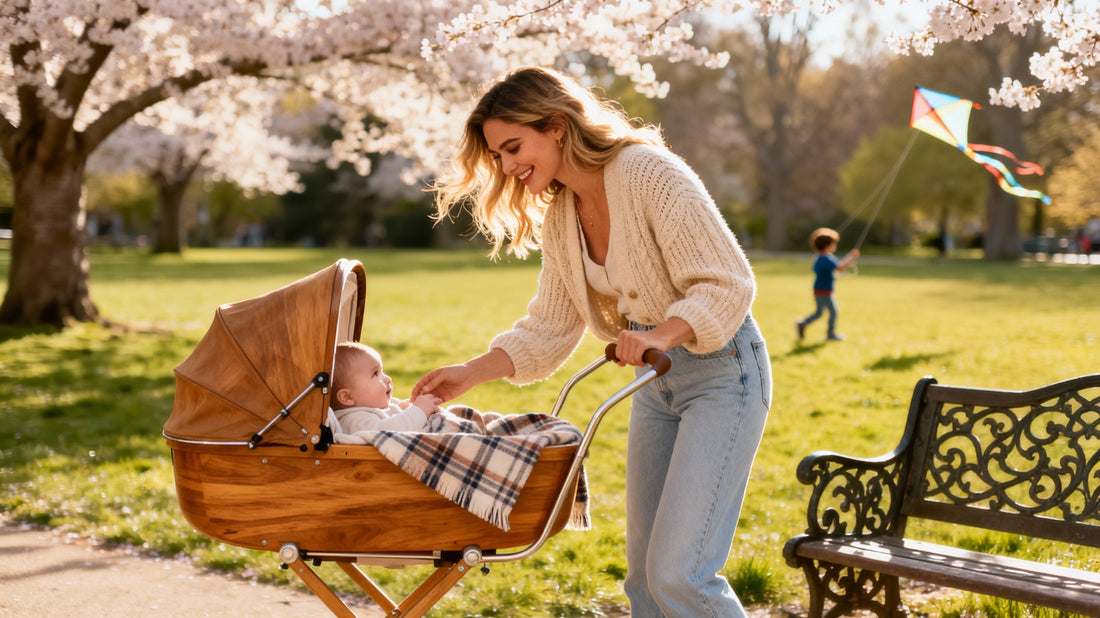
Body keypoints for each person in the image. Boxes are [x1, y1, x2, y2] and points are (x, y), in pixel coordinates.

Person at [413, 66, 771, 617]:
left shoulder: (647, 172)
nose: (508, 167)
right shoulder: (562, 214)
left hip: (723, 373)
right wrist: (470, 373)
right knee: (645, 585)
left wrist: (662, 333)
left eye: (514, 147)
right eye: (499, 157)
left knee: (681, 576)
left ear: (557, 126)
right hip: (655, 385)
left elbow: (727, 282)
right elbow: (549, 326)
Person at [328, 341, 442, 436]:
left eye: (382, 371)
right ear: (347, 397)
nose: (388, 379)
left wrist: (404, 408)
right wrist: (418, 411)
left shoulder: (370, 407)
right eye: (375, 374)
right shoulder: (353, 420)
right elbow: (388, 434)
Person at [796, 227, 859, 342]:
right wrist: (852, 257)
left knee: (819, 313)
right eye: (833, 243)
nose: (835, 245)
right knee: (834, 311)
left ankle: (803, 323)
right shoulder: (824, 259)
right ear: (826, 245)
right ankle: (830, 334)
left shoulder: (826, 257)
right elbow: (840, 267)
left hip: (821, 290)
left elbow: (839, 264)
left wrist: (849, 258)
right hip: (823, 291)